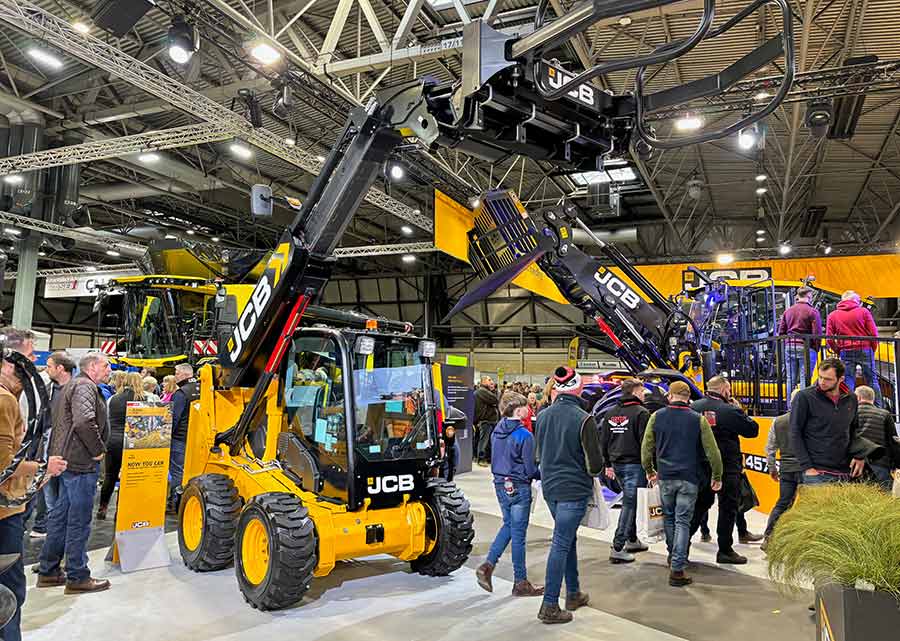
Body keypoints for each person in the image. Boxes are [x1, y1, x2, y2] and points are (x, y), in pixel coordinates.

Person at [0, 338, 67, 641]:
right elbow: (3, 464)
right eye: (29, 356)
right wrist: (43, 468)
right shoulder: (4, 400)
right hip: (5, 511)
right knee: (9, 591)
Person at [37, 352, 112, 594]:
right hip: (81, 463)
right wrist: (98, 450)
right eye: (106, 365)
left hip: (70, 461)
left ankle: (49, 571)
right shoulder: (84, 387)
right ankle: (77, 575)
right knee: (79, 522)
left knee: (60, 517)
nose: (109, 369)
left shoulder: (76, 385)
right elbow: (83, 422)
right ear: (92, 367)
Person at [533, 366, 603, 624]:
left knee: (567, 539)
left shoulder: (542, 416)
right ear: (577, 387)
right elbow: (594, 465)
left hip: (550, 489)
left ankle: (573, 593)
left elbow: (536, 456)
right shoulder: (584, 418)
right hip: (573, 490)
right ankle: (549, 605)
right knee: (561, 542)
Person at [641, 381, 723, 587]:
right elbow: (713, 452)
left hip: (666, 477)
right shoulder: (698, 420)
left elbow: (646, 447)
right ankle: (678, 567)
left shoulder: (656, 417)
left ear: (670, 396)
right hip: (689, 478)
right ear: (688, 398)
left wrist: (650, 470)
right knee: (683, 521)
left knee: (669, 518)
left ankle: (673, 556)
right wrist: (717, 476)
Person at [476, 392, 542, 597]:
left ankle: (488, 565)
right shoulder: (525, 435)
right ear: (519, 409)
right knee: (519, 535)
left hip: (499, 484)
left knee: (509, 525)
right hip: (519, 486)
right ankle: (520, 581)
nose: (528, 410)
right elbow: (530, 469)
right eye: (525, 406)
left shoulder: (497, 430)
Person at [691, 376, 760, 564]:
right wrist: (739, 409)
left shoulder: (693, 407)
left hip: (701, 467)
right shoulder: (729, 410)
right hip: (728, 467)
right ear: (724, 390)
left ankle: (680, 546)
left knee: (698, 506)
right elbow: (752, 430)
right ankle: (725, 550)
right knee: (728, 508)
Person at [790, 358, 865, 486]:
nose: (822, 382)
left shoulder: (851, 398)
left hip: (845, 472)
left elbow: (854, 430)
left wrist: (860, 456)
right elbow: (794, 433)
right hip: (816, 473)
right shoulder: (804, 397)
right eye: (820, 377)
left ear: (840, 379)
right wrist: (808, 468)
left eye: (828, 379)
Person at [599, 378, 650, 564]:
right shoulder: (642, 413)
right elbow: (647, 444)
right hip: (634, 465)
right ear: (635, 392)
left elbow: (603, 440)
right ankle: (618, 546)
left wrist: (607, 464)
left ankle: (632, 539)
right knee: (630, 504)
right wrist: (651, 468)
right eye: (643, 392)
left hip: (617, 464)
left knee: (631, 501)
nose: (645, 395)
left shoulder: (611, 413)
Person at [29, 352, 75, 539]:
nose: (46, 369)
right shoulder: (47, 390)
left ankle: (57, 540)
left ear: (60, 368)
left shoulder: (76, 390)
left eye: (49, 366)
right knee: (47, 499)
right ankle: (45, 530)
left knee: (62, 504)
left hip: (68, 457)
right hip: (46, 454)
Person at [98, 372, 148, 520]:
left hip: (113, 441)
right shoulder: (145, 400)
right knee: (129, 478)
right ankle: (121, 510)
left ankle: (102, 508)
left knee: (110, 476)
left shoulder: (113, 399)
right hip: (133, 443)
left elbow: (106, 419)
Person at [763, 390, 802, 549]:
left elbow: (770, 448)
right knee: (808, 506)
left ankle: (769, 537)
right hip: (806, 470)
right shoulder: (810, 420)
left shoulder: (778, 421)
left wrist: (772, 468)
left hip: (786, 468)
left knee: (782, 503)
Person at [826, 291, 881, 404]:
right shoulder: (863, 312)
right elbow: (874, 333)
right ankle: (878, 407)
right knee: (872, 380)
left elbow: (829, 338)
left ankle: (848, 408)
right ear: (855, 300)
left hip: (845, 351)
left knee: (847, 380)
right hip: (865, 348)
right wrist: (872, 348)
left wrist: (838, 350)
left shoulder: (833, 315)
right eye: (859, 301)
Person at [777, 286, 822, 397]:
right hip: (806, 347)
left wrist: (787, 342)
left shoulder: (788, 311)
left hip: (790, 346)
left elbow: (781, 331)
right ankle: (802, 406)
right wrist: (816, 348)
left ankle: (790, 406)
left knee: (790, 378)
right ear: (809, 296)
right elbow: (817, 333)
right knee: (805, 377)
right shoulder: (812, 311)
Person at [854, 385, 899, 490]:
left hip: (855, 465)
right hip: (880, 465)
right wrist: (897, 465)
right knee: (883, 498)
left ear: (858, 398)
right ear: (872, 399)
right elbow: (894, 443)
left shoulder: (851, 414)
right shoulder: (884, 414)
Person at [169, 364, 197, 510]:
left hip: (179, 439)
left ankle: (176, 502)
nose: (175, 376)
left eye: (177, 373)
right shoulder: (201, 389)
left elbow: (174, 418)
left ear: (186, 375)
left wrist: (166, 436)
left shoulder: (181, 394)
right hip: (196, 438)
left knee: (177, 472)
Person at [474, 376, 499, 466]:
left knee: (488, 442)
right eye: (489, 380)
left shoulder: (486, 391)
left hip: (490, 420)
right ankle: (481, 459)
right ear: (484, 381)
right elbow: (495, 400)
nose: (491, 382)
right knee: (484, 441)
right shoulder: (482, 391)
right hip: (485, 420)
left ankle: (487, 458)